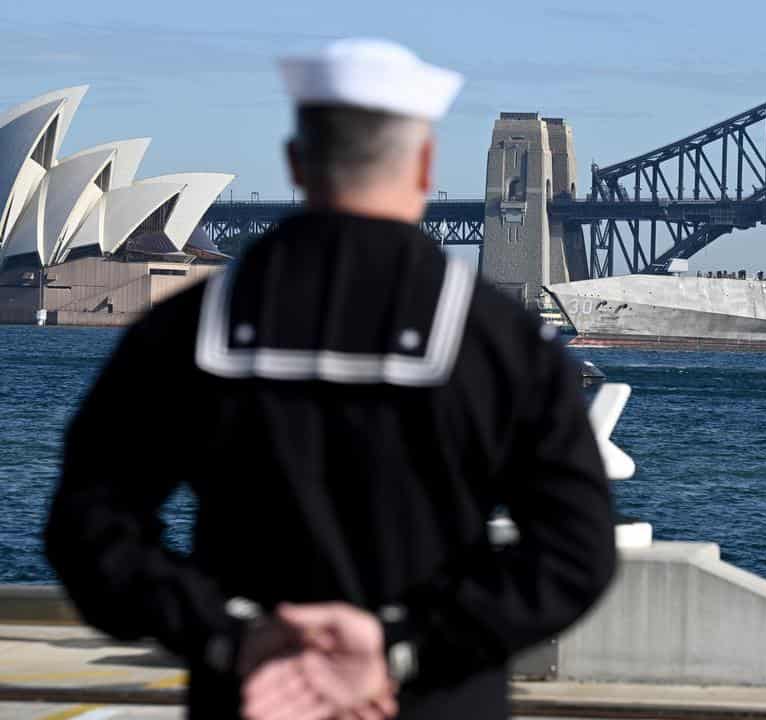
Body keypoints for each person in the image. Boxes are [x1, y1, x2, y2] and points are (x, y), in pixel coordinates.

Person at [44, 38, 616, 720]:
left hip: (252, 700)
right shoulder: (502, 342)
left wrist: (231, 637)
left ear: (296, 162)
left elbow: (87, 529)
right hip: (437, 702)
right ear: (426, 165)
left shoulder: (188, 328)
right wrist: (400, 647)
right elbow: (575, 552)